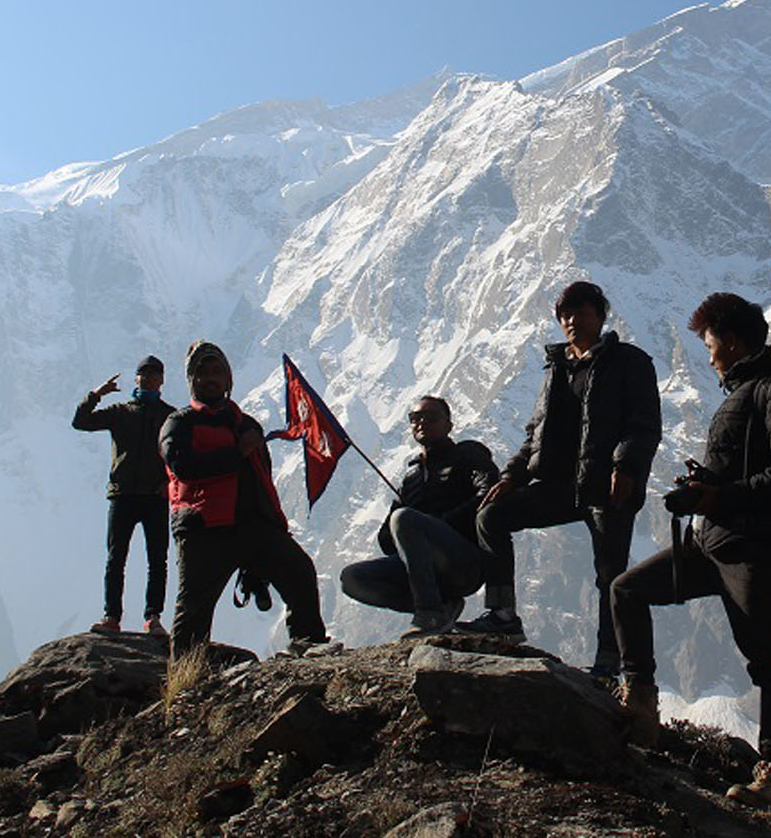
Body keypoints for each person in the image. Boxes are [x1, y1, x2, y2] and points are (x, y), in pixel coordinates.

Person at [611, 292, 771, 807]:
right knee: (626, 591)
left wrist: (719, 495)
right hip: (710, 542)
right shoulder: (741, 393)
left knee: (765, 661)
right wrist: (706, 487)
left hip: (752, 550)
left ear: (735, 340)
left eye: (711, 343)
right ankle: (641, 707)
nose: (709, 354)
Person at [460, 281, 661, 679]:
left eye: (582, 312)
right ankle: (501, 613)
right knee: (492, 516)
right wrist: (512, 476)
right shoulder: (556, 367)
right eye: (565, 314)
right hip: (560, 486)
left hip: (607, 486)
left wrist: (626, 467)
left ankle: (610, 661)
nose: (572, 320)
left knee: (611, 576)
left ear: (601, 316)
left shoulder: (630, 362)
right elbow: (536, 431)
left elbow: (644, 425)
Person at [162, 340, 329, 656]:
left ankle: (308, 647)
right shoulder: (179, 423)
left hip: (254, 526)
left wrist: (274, 525)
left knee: (300, 573)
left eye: (216, 372)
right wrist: (235, 453)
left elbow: (261, 480)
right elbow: (182, 467)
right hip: (204, 529)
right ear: (191, 381)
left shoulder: (246, 424)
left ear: (228, 380)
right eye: (201, 372)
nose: (210, 378)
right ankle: (184, 674)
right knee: (195, 605)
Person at [338, 395, 499, 637]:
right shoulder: (411, 477)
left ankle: (430, 614)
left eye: (431, 417)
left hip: (463, 560)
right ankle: (441, 604)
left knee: (404, 519)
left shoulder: (468, 453)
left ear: (449, 425)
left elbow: (489, 491)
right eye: (415, 418)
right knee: (353, 578)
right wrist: (406, 528)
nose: (422, 422)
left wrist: (439, 524)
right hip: (423, 569)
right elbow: (386, 540)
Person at [71, 354, 174, 637]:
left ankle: (152, 617)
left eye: (154, 373)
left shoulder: (171, 416)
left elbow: (182, 456)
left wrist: (170, 484)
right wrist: (96, 395)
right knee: (117, 558)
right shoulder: (120, 411)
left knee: (157, 559)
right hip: (123, 495)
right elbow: (80, 422)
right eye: (144, 373)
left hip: (155, 496)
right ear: (136, 378)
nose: (149, 377)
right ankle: (111, 617)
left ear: (162, 379)